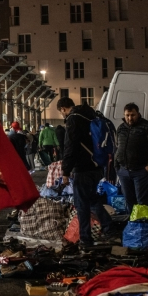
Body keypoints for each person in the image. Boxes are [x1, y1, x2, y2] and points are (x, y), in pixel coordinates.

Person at [57, 97, 112, 249]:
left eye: (62, 113)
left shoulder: (73, 120)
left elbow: (70, 147)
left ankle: (85, 239)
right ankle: (107, 225)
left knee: (81, 204)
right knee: (92, 199)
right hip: (97, 165)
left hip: (82, 168)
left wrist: (66, 171)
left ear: (63, 109)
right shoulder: (90, 115)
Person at [115, 102, 148, 210]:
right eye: (127, 115)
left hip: (140, 171)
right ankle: (132, 224)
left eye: (132, 115)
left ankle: (143, 225)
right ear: (124, 115)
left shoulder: (147, 127)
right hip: (124, 171)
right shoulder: (121, 128)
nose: (130, 118)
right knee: (129, 200)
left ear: (138, 114)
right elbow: (117, 147)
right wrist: (117, 166)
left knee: (142, 201)